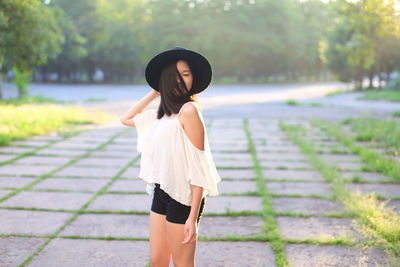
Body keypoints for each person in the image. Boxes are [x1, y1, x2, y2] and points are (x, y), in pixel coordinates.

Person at [120, 46, 221, 267]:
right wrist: (155, 91)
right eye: (174, 76)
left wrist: (192, 217)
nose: (180, 80)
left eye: (186, 74)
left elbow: (199, 167)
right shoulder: (162, 115)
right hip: (162, 191)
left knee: (182, 263)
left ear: (192, 79)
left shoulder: (189, 111)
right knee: (158, 261)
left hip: (183, 198)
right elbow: (126, 118)